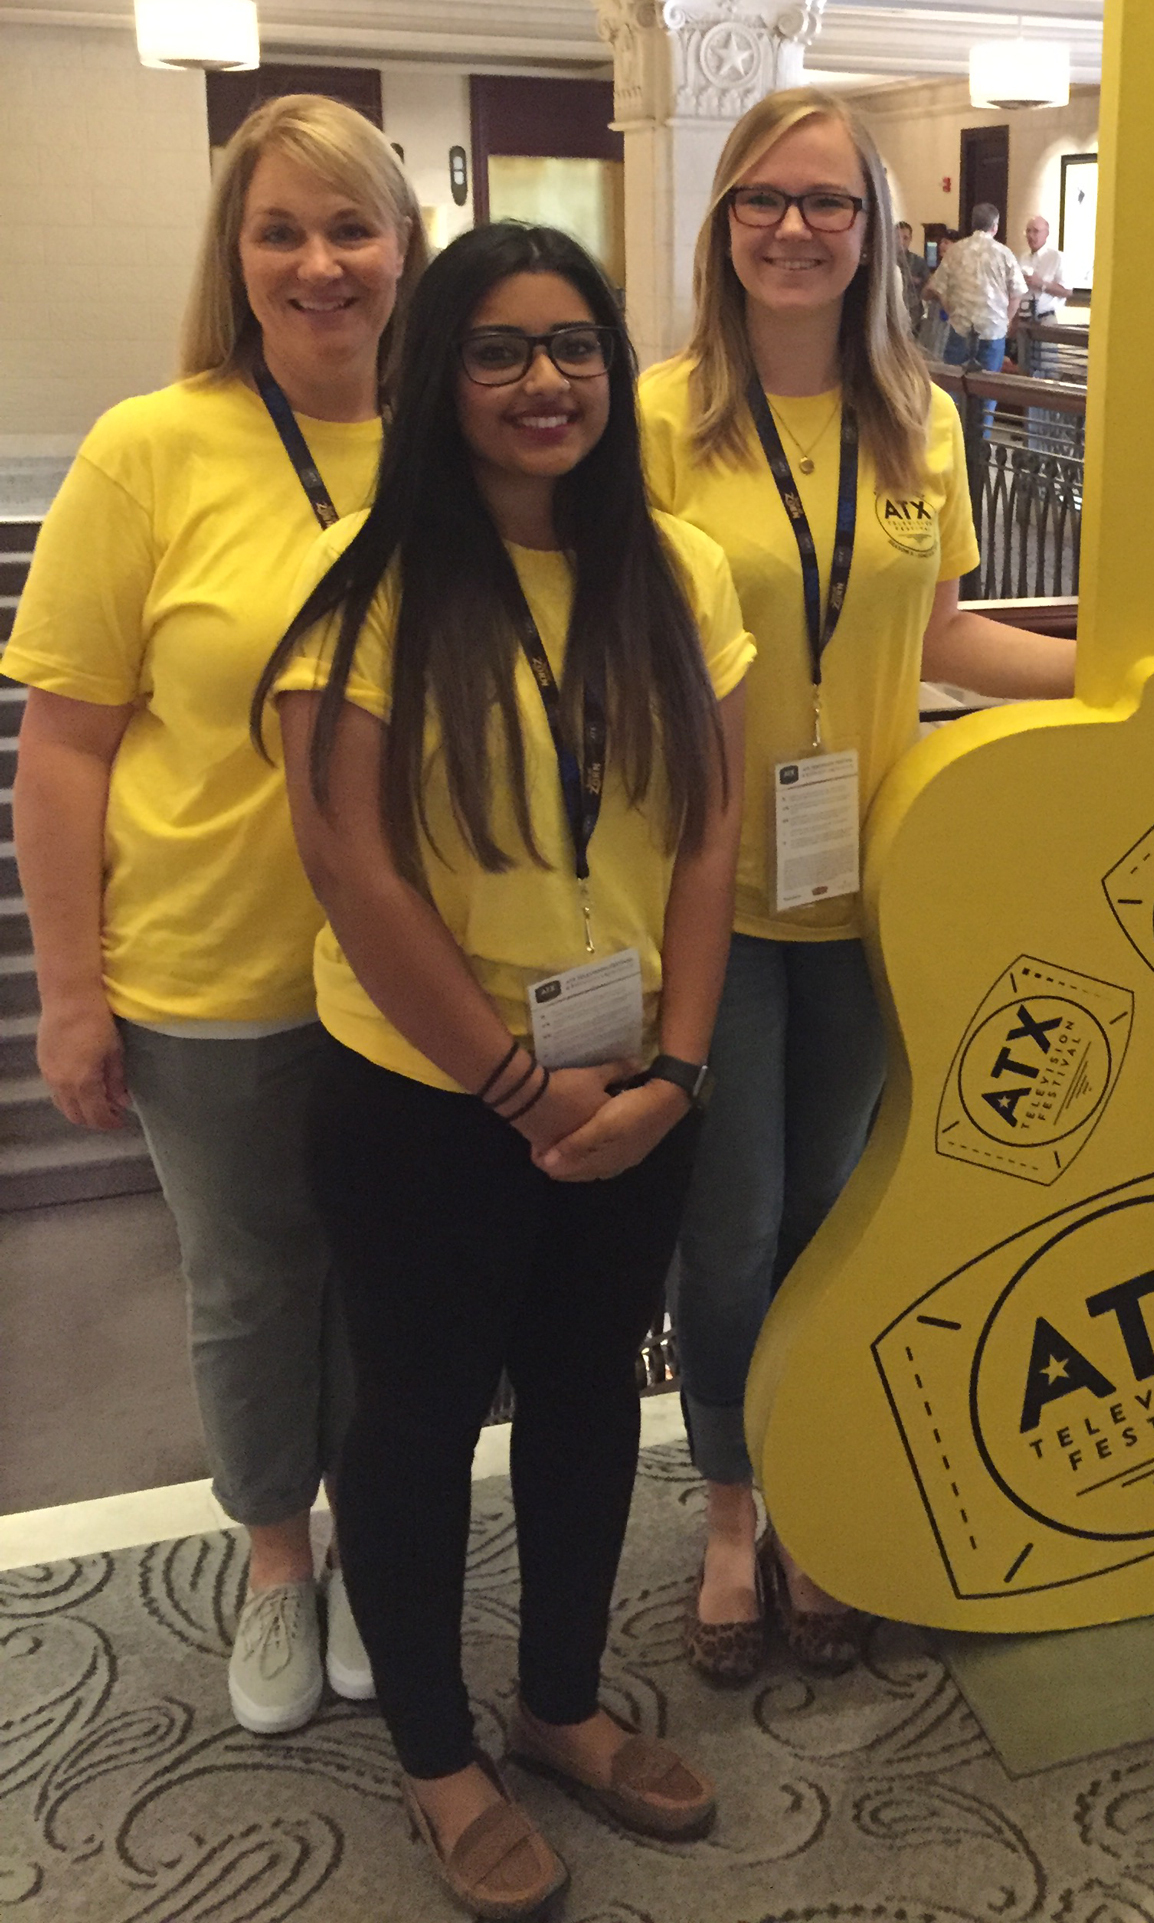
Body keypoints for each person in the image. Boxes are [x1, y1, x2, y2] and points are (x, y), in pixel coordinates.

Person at [638, 86, 1154, 1686]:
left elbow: (945, 636)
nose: (793, 229)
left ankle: (814, 1495)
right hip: (705, 888)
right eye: (764, 200)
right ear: (723, 223)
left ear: (871, 232)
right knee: (729, 1226)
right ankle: (728, 1513)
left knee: (836, 1213)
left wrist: (1128, 674)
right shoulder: (656, 420)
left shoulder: (922, 421)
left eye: (826, 203)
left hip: (876, 885)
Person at [262, 224, 749, 1919]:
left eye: (574, 347)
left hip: (633, 1080)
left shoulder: (674, 570)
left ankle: (557, 1705)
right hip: (427, 1096)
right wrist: (516, 1090)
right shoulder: (371, 581)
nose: (544, 381)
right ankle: (436, 1754)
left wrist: (676, 1069)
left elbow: (709, 834)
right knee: (411, 1419)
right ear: (439, 379)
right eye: (498, 350)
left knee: (590, 1397)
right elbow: (351, 867)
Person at [4, 94, 426, 1735]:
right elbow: (64, 744)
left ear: (404, 246)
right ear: (234, 256)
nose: (320, 264)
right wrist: (70, 992)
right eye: (281, 231)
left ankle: (376, 1543)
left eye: (350, 227)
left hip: (425, 970)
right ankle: (274, 1560)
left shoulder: (462, 441)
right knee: (251, 1284)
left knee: (394, 1280)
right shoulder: (152, 447)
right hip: (212, 968)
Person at [930, 199, 1027, 381]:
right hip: (993, 331)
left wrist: (952, 312)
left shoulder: (955, 251)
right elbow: (1017, 293)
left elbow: (939, 288)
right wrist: (1005, 320)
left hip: (960, 328)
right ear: (995, 227)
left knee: (954, 384)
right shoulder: (1004, 253)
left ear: (973, 223)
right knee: (988, 387)